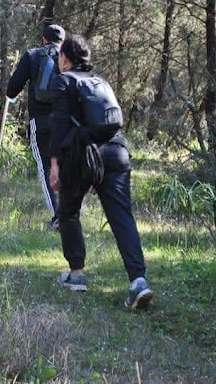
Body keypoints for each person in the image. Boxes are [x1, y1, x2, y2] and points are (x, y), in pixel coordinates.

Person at [48, 35, 153, 309]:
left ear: (66, 59)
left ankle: (78, 275)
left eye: (60, 55)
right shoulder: (100, 81)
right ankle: (138, 281)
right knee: (122, 217)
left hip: (82, 154)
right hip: (117, 151)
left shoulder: (64, 81)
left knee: (68, 212)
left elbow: (59, 127)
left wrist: (55, 164)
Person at [6, 24, 65, 229]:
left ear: (43, 39)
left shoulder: (32, 55)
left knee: (46, 168)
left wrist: (10, 95)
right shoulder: (69, 57)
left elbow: (13, 87)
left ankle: (59, 218)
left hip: (40, 121)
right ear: (62, 42)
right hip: (65, 122)